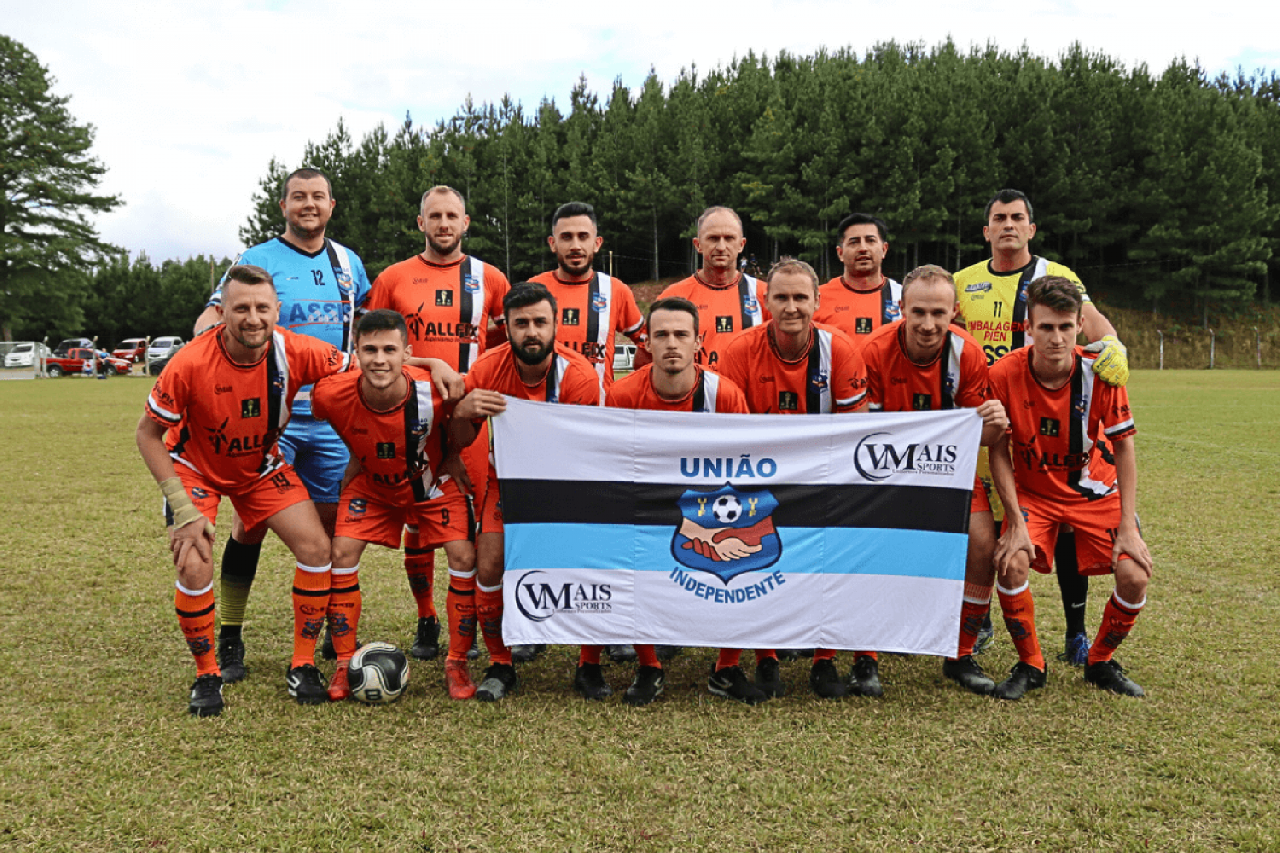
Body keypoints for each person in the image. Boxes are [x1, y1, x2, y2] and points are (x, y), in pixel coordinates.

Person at [137, 265, 349, 715]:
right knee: (194, 564)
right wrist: (182, 508)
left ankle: (303, 663)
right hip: (195, 469)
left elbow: (369, 364)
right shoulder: (190, 361)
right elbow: (147, 435)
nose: (252, 318)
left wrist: (429, 366)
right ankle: (208, 673)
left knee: (316, 548)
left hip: (259, 468)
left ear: (277, 310)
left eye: (261, 308)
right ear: (223, 312)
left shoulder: (297, 350)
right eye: (241, 308)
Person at [191, 167, 371, 685]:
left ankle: (332, 637)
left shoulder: (348, 262)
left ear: (332, 205)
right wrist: (196, 363)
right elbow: (212, 320)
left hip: (333, 417)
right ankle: (230, 631)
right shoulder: (256, 259)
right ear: (283, 205)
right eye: (298, 197)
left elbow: (360, 328)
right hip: (274, 420)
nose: (308, 205)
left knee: (332, 529)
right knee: (249, 525)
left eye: (317, 197)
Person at [954, 189, 1131, 664]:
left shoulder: (1058, 275)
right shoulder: (962, 281)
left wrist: (1113, 346)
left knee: (1067, 524)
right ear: (986, 230)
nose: (1008, 225)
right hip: (988, 415)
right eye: (999, 218)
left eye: (1017, 218)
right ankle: (985, 617)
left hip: (1048, 413)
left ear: (1031, 228)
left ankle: (1075, 630)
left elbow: (1094, 325)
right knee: (990, 528)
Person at [361, 186, 511, 667]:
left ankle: (479, 626)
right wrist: (427, 362)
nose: (444, 224)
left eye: (452, 216)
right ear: (420, 223)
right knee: (419, 520)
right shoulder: (392, 278)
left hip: (468, 419)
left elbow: (505, 344)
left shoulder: (491, 278)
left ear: (466, 223)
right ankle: (427, 615)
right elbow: (373, 344)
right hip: (409, 418)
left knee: (469, 524)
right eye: (435, 216)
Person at [988, 276, 1152, 699]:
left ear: (1081, 324)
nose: (1056, 338)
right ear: (1029, 327)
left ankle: (1099, 662)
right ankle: (1031, 664)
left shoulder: (1102, 374)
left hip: (1093, 490)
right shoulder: (1004, 373)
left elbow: (1125, 448)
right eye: (1046, 327)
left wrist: (1129, 528)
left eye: (1065, 326)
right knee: (1011, 561)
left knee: (1134, 575)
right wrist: (1013, 519)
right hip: (1035, 493)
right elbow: (998, 450)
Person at [717, 259, 869, 702]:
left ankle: (825, 657)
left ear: (817, 302)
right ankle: (763, 655)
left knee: (839, 553)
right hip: (756, 478)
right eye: (781, 297)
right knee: (750, 545)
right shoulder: (739, 351)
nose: (791, 307)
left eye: (801, 297)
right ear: (765, 302)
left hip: (823, 478)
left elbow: (854, 438)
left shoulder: (840, 351)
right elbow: (729, 437)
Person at [860, 265, 1012, 697]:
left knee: (983, 542)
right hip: (884, 472)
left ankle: (960, 653)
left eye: (939, 313)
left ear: (955, 312)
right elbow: (861, 435)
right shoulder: (872, 351)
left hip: (947, 470)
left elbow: (982, 435)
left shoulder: (967, 354)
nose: (928, 324)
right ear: (900, 309)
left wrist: (995, 425)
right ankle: (866, 656)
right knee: (869, 541)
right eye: (919, 312)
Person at [449, 282, 603, 701]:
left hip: (567, 484)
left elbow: (587, 453)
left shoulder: (580, 376)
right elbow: (461, 440)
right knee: (489, 564)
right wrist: (461, 412)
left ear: (556, 325)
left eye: (540, 322)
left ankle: (589, 663)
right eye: (521, 323)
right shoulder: (485, 369)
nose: (531, 331)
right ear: (508, 327)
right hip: (509, 484)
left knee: (587, 564)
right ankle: (501, 662)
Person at [310, 309, 472, 700]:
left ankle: (457, 663)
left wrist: (451, 457)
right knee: (341, 552)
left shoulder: (436, 390)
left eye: (389, 349)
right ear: (356, 352)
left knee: (465, 558)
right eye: (369, 350)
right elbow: (341, 423)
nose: (379, 359)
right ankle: (342, 663)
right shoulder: (329, 394)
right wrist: (355, 455)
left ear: (406, 353)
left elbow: (462, 424)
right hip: (373, 486)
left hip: (429, 484)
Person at [597, 297, 751, 706]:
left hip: (711, 508)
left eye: (681, 334)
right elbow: (613, 470)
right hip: (646, 506)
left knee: (748, 544)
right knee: (627, 551)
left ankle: (726, 668)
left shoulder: (724, 394)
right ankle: (648, 666)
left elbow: (744, 472)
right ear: (645, 342)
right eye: (661, 334)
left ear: (699, 342)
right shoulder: (624, 394)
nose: (671, 344)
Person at [529, 200, 645, 664]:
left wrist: (633, 389)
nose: (575, 246)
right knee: (541, 527)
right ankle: (535, 621)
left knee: (608, 530)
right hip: (542, 432)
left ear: (597, 243)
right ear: (552, 242)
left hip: (603, 430)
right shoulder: (533, 289)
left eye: (584, 237)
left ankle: (612, 624)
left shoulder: (616, 290)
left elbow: (646, 344)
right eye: (566, 237)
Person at [635, 206, 769, 370]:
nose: (721, 246)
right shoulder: (673, 297)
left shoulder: (765, 295)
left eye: (729, 238)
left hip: (746, 395)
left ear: (741, 244)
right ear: (698, 245)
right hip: (693, 394)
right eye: (713, 238)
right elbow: (643, 362)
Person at [813, 213, 902, 351]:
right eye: (854, 242)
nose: (863, 248)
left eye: (870, 240)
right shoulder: (817, 299)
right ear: (840, 253)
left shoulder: (903, 297)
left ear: (884, 249)